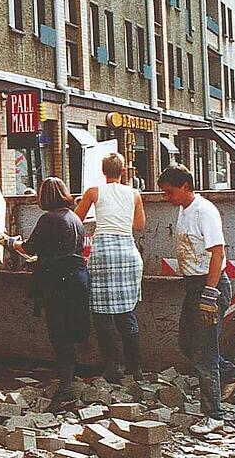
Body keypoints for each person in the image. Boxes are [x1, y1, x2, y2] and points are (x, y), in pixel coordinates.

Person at [157, 164, 235, 436]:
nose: (166, 197)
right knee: (187, 342)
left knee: (204, 352)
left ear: (185, 186)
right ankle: (231, 374)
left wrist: (210, 293)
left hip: (211, 285)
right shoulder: (183, 210)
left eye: (169, 191)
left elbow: (217, 254)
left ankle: (214, 415)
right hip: (194, 285)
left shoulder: (204, 211)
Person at [15, 178, 89, 406]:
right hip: (76, 279)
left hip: (58, 282)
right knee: (70, 329)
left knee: (59, 332)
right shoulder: (74, 217)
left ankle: (66, 386)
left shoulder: (49, 218)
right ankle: (68, 377)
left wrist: (11, 243)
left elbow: (30, 247)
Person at [74, 152, 146, 382]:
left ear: (103, 172)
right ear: (123, 171)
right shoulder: (134, 194)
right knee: (127, 313)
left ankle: (112, 367)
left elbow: (76, 220)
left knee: (102, 314)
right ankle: (135, 368)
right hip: (127, 252)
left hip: (104, 251)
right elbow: (139, 225)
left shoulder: (94, 192)